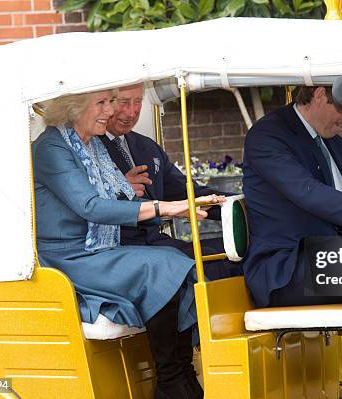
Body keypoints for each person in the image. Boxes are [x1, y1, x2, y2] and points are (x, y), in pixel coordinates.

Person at [32, 88, 222, 399]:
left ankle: (182, 371)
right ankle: (170, 380)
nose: (112, 110)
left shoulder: (92, 144)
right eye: (102, 103)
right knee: (164, 265)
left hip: (101, 249)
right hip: (70, 257)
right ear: (73, 106)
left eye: (111, 101)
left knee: (185, 271)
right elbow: (91, 207)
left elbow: (119, 196)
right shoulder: (52, 147)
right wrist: (165, 207)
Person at [242, 86, 342, 399]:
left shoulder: (332, 142)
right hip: (286, 269)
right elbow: (308, 193)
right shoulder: (269, 136)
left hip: (326, 257)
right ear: (321, 95)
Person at [98, 83, 239, 279]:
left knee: (239, 251)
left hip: (158, 244)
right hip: (119, 253)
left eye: (138, 101)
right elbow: (88, 204)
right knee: (208, 265)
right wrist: (119, 188)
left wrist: (242, 204)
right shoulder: (88, 148)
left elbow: (189, 194)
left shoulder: (147, 147)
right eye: (123, 102)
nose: (131, 112)